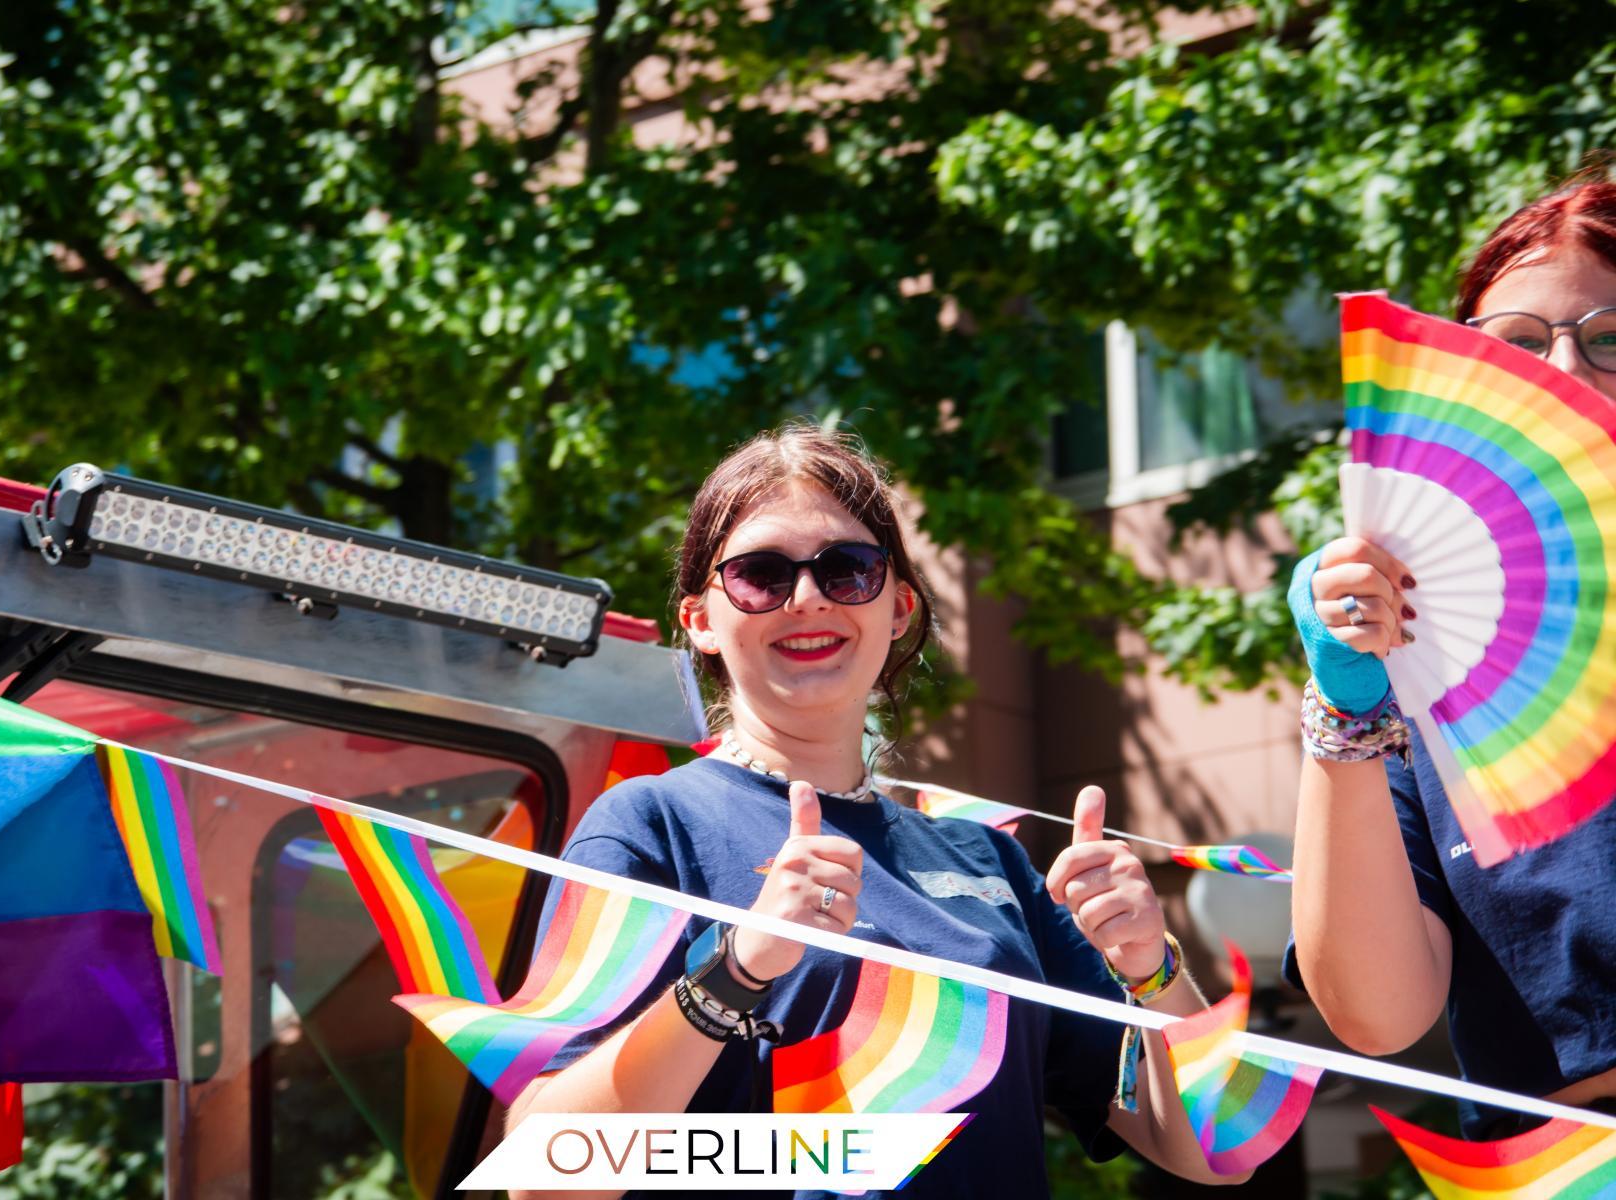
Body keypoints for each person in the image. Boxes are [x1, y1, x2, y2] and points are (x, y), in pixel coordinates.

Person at [507, 425, 1241, 1199]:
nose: (809, 598)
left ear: (898, 607)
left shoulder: (989, 860)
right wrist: (736, 971)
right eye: (761, 575)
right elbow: (546, 1171)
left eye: (848, 569)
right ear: (699, 621)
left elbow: (1213, 1151)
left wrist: (1151, 968)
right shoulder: (651, 826)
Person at [1286, 174, 1616, 1138]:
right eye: (1511, 345)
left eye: (1609, 336)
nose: (1557, 369)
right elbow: (1377, 1014)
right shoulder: (1419, 661)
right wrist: (1345, 704)